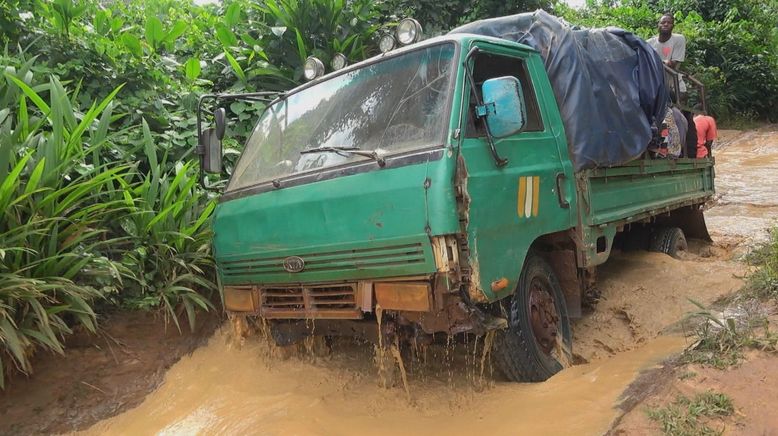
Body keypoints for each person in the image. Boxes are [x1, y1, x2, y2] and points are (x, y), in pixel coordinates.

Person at [648, 14, 687, 100]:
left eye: (669, 23)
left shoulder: (679, 39)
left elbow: (674, 64)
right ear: (658, 25)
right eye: (663, 22)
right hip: (654, 81)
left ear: (673, 26)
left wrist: (663, 62)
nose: (665, 24)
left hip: (673, 82)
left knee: (681, 97)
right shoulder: (649, 43)